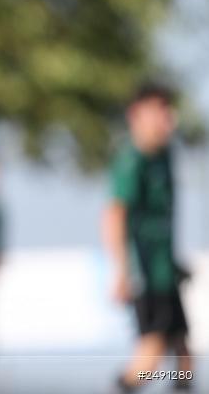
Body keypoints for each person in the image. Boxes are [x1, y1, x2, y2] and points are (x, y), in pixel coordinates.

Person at [103, 83, 192, 393]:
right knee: (150, 358)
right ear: (136, 116)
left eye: (168, 112)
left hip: (165, 270)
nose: (166, 120)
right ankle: (126, 385)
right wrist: (122, 270)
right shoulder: (132, 160)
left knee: (184, 357)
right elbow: (114, 216)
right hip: (145, 273)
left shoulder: (165, 155)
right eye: (158, 111)